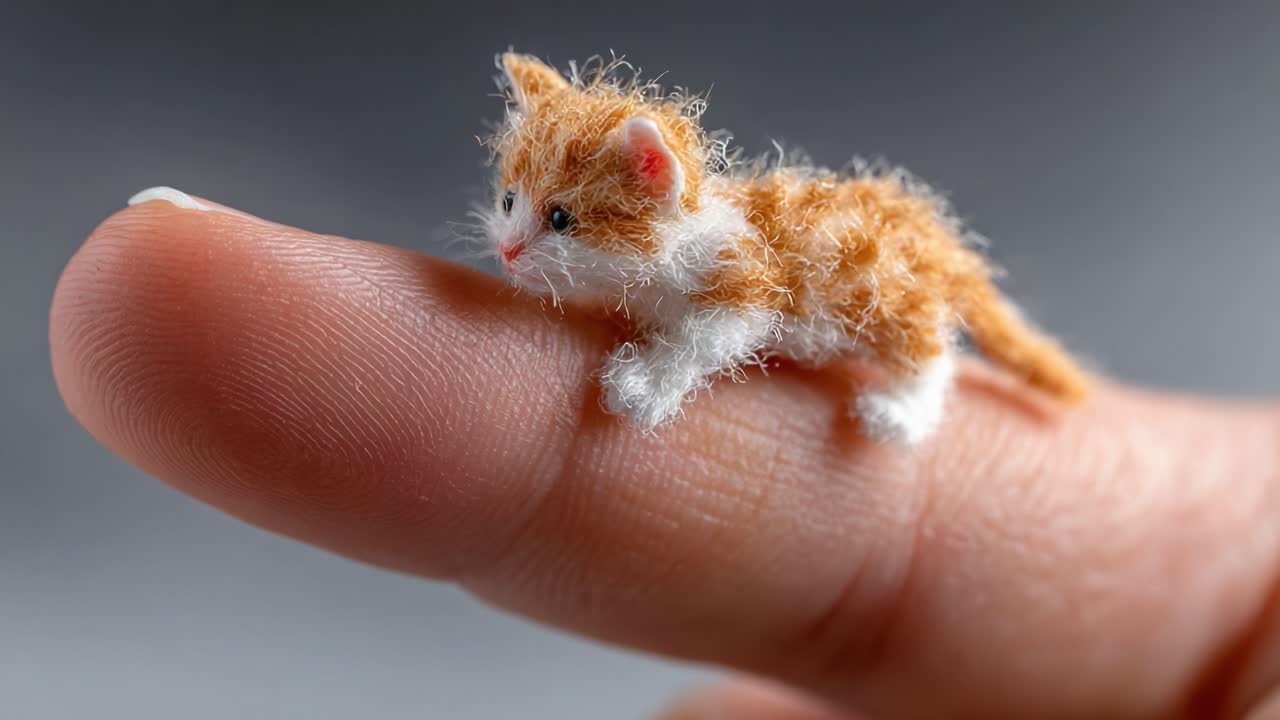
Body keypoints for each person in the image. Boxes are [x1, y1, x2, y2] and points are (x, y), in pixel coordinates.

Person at [50, 191, 1280, 719]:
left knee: (906, 317)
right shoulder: (642, 255)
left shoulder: (709, 258)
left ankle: (916, 378)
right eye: (512, 203)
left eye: (555, 220)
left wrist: (663, 374)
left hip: (869, 300)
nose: (511, 241)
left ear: (654, 184)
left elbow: (731, 317)